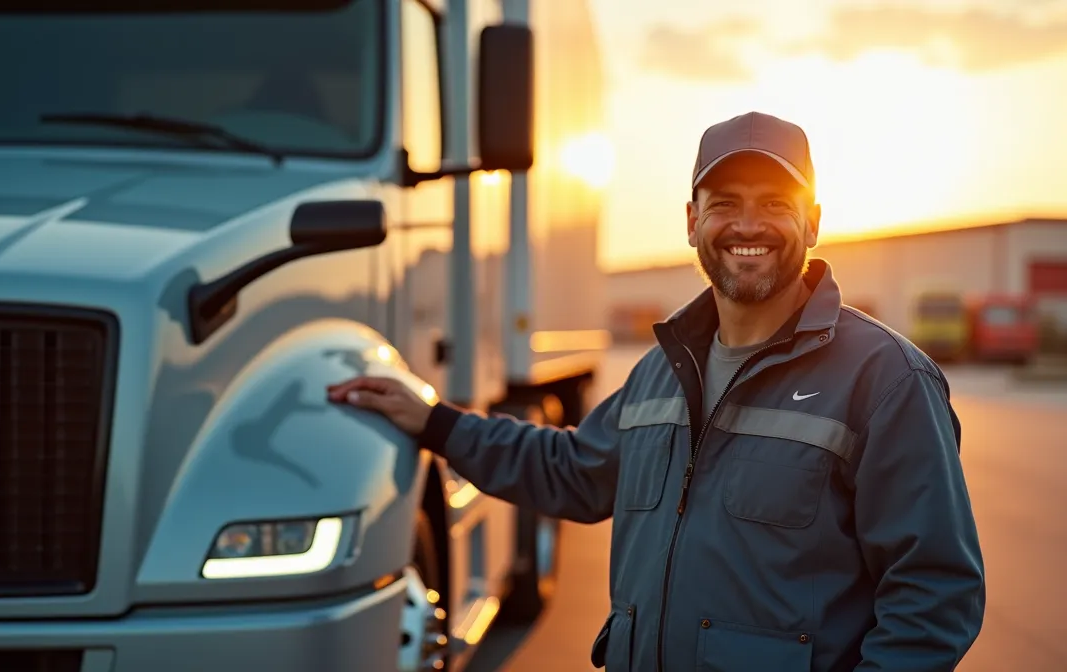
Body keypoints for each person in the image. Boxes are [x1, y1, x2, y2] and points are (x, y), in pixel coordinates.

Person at [328, 111, 986, 671]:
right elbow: (571, 473)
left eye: (774, 205)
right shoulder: (660, 372)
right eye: (725, 204)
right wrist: (436, 423)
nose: (747, 226)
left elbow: (934, 592)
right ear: (692, 220)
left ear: (812, 223)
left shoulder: (885, 379)